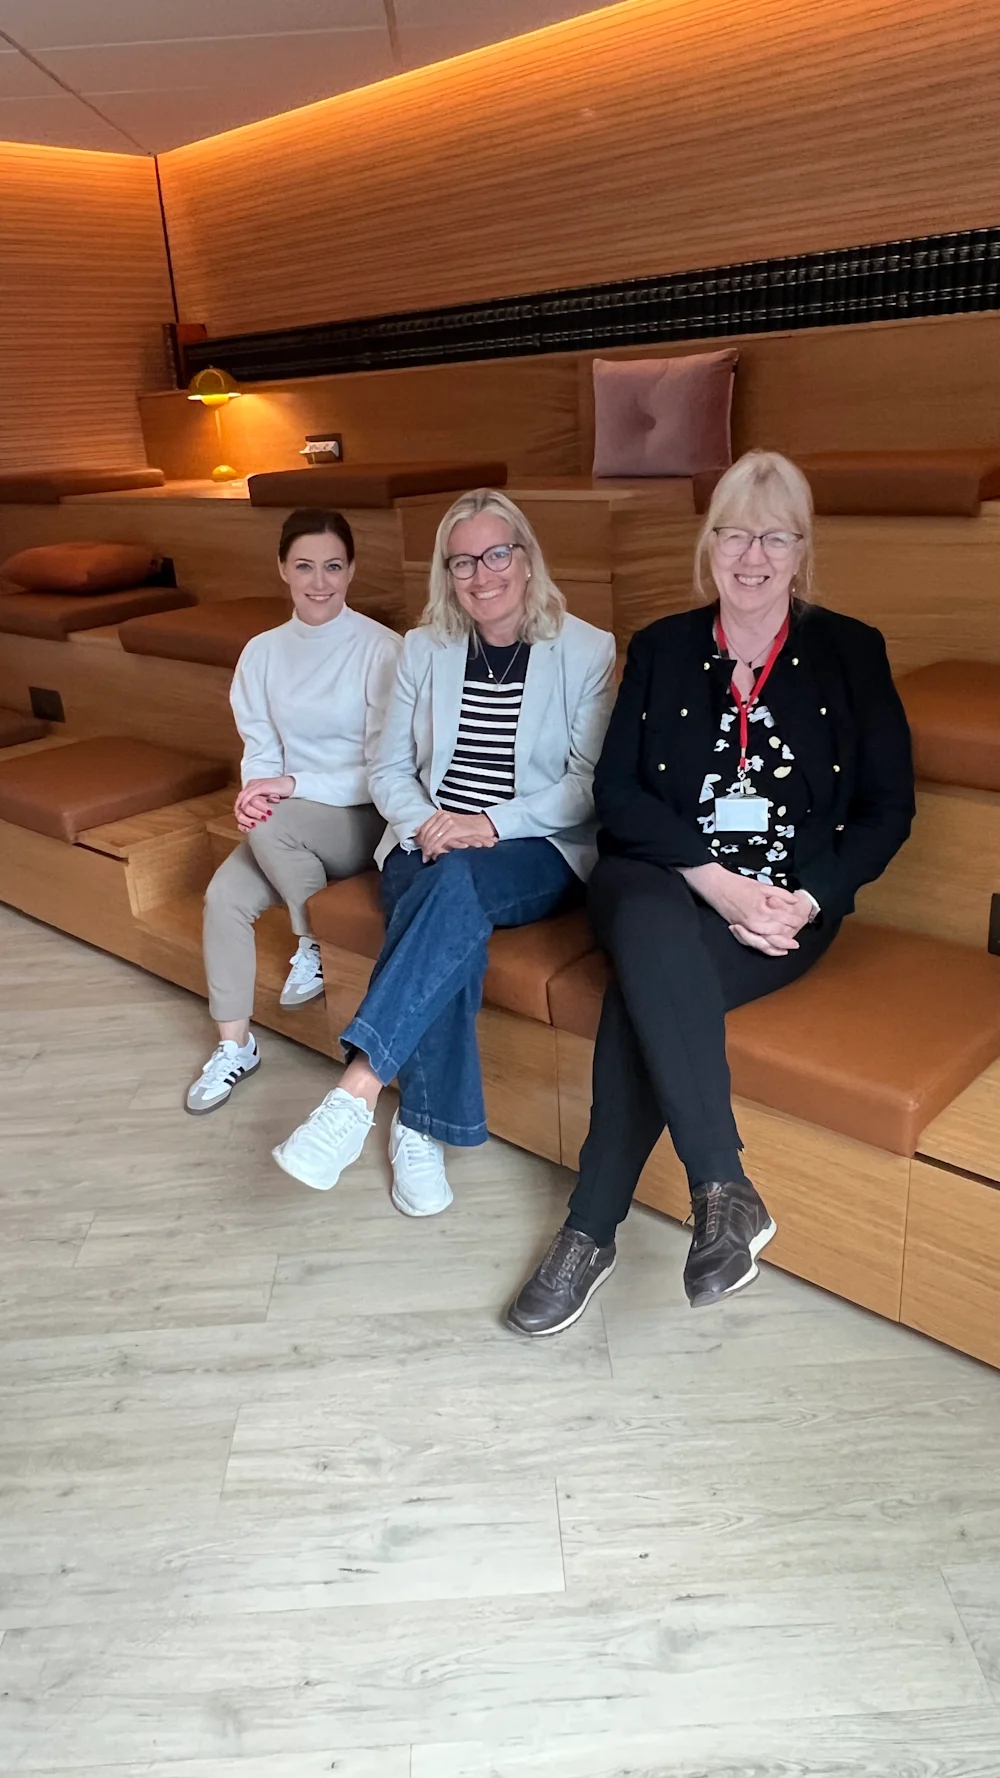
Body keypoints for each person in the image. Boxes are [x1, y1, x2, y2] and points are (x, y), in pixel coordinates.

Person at [507, 449, 915, 1334]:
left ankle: (589, 1233)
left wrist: (809, 898)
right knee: (653, 933)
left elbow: (888, 811)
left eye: (776, 537)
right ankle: (721, 1182)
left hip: (783, 907)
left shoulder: (850, 652)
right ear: (710, 545)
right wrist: (715, 882)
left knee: (643, 995)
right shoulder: (663, 647)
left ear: (801, 551)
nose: (752, 556)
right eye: (735, 535)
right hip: (657, 878)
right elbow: (617, 793)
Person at [272, 487, 617, 1210]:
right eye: (463, 562)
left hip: (532, 846)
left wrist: (487, 824)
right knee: (448, 895)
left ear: (526, 559)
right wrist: (429, 822)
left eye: (497, 555)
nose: (482, 575)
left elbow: (587, 785)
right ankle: (418, 1129)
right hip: (425, 837)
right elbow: (389, 768)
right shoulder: (424, 648)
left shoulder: (585, 649)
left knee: (453, 884)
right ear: (447, 573)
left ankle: (358, 1090)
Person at [185, 508, 401, 1113]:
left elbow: (385, 768)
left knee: (275, 823)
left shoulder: (382, 649)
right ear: (282, 569)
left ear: (351, 570)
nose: (319, 581)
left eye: (333, 566)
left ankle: (314, 943)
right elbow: (259, 748)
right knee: (224, 897)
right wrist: (257, 792)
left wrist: (288, 787)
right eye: (305, 566)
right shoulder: (261, 653)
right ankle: (235, 1045)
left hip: (362, 816)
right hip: (289, 819)